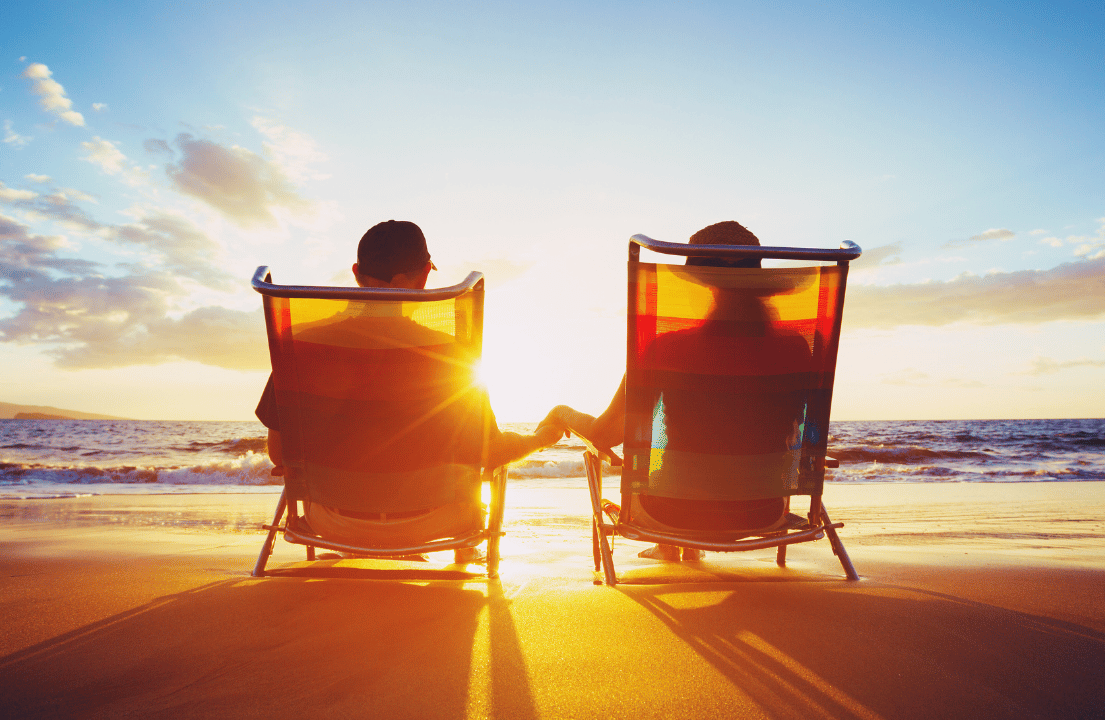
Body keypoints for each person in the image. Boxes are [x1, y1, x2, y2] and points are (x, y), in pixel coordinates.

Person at [256, 220, 564, 562]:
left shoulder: (303, 348)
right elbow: (489, 453)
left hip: (330, 523)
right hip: (435, 523)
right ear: (407, 282)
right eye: (426, 273)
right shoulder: (452, 357)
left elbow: (279, 454)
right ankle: (461, 552)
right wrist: (540, 438)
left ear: (357, 273)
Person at [548, 221, 804, 562]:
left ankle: (671, 542)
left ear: (703, 285)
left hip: (671, 511)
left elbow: (605, 434)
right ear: (759, 283)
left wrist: (562, 413)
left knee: (673, 464)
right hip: (763, 510)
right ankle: (678, 546)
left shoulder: (667, 348)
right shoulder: (796, 349)